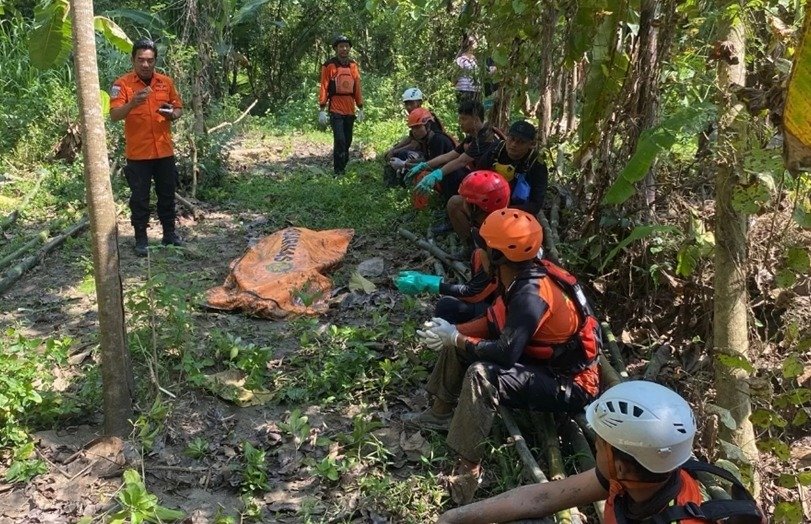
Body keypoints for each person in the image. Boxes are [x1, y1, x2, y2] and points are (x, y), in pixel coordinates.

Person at [406, 209, 602, 505]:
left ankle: (469, 468)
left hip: (569, 382)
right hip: (544, 363)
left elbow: (506, 352)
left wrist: (458, 338)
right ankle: (440, 411)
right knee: (458, 342)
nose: (478, 251)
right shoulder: (516, 275)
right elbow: (494, 320)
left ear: (496, 255)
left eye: (483, 246)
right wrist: (454, 332)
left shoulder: (530, 295)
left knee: (481, 373)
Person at [438, 381, 766, 523]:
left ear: (620, 464)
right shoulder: (644, 476)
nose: (596, 444)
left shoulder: (680, 513)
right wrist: (457, 518)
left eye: (600, 442)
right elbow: (542, 498)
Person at [394, 170, 510, 323]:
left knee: (446, 306)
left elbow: (472, 293)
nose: (461, 201)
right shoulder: (498, 225)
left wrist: (430, 284)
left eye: (465, 199)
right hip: (509, 298)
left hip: (510, 312)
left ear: (474, 207)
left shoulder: (493, 242)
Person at [110, 38, 184, 257]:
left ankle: (169, 235)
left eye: (149, 60)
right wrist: (132, 103)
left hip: (164, 151)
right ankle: (141, 239)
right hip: (138, 154)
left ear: (155, 62)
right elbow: (114, 115)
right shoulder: (121, 85)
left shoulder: (165, 82)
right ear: (133, 60)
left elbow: (179, 109)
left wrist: (172, 114)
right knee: (139, 198)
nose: (145, 64)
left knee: (167, 195)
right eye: (141, 60)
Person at [447, 120, 548, 249]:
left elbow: (535, 205)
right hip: (486, 205)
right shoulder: (496, 150)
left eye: (521, 142)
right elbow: (477, 176)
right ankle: (470, 246)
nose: (513, 145)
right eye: (511, 139)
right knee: (454, 203)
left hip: (515, 213)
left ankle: (496, 253)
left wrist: (503, 212)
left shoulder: (537, 165)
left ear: (531, 144)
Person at [405, 100, 498, 233]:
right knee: (447, 171)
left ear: (476, 119)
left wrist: (437, 174)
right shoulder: (472, 137)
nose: (460, 122)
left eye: (464, 119)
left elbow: (461, 161)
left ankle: (458, 220)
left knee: (450, 172)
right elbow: (449, 155)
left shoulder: (485, 138)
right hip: (481, 180)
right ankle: (452, 214)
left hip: (491, 187)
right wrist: (423, 165)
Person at [318, 34, 364, 176]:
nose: (344, 49)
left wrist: (360, 107)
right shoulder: (329, 65)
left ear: (349, 48)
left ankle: (343, 164)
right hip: (335, 108)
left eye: (346, 46)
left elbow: (357, 86)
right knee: (340, 140)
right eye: (341, 46)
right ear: (336, 49)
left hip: (350, 109)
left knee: (348, 140)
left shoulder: (353, 65)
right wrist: (322, 108)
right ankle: (338, 171)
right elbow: (324, 86)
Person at [385, 108, 455, 188]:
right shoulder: (428, 140)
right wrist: (408, 162)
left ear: (428, 126)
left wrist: (404, 165)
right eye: (412, 128)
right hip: (444, 177)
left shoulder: (437, 140)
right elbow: (426, 160)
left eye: (417, 127)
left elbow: (432, 166)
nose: (414, 131)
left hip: (450, 178)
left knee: (421, 176)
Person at [454, 35, 480, 104]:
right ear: (470, 45)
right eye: (475, 42)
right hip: (463, 89)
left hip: (474, 89)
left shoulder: (474, 59)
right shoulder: (461, 59)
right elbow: (456, 74)